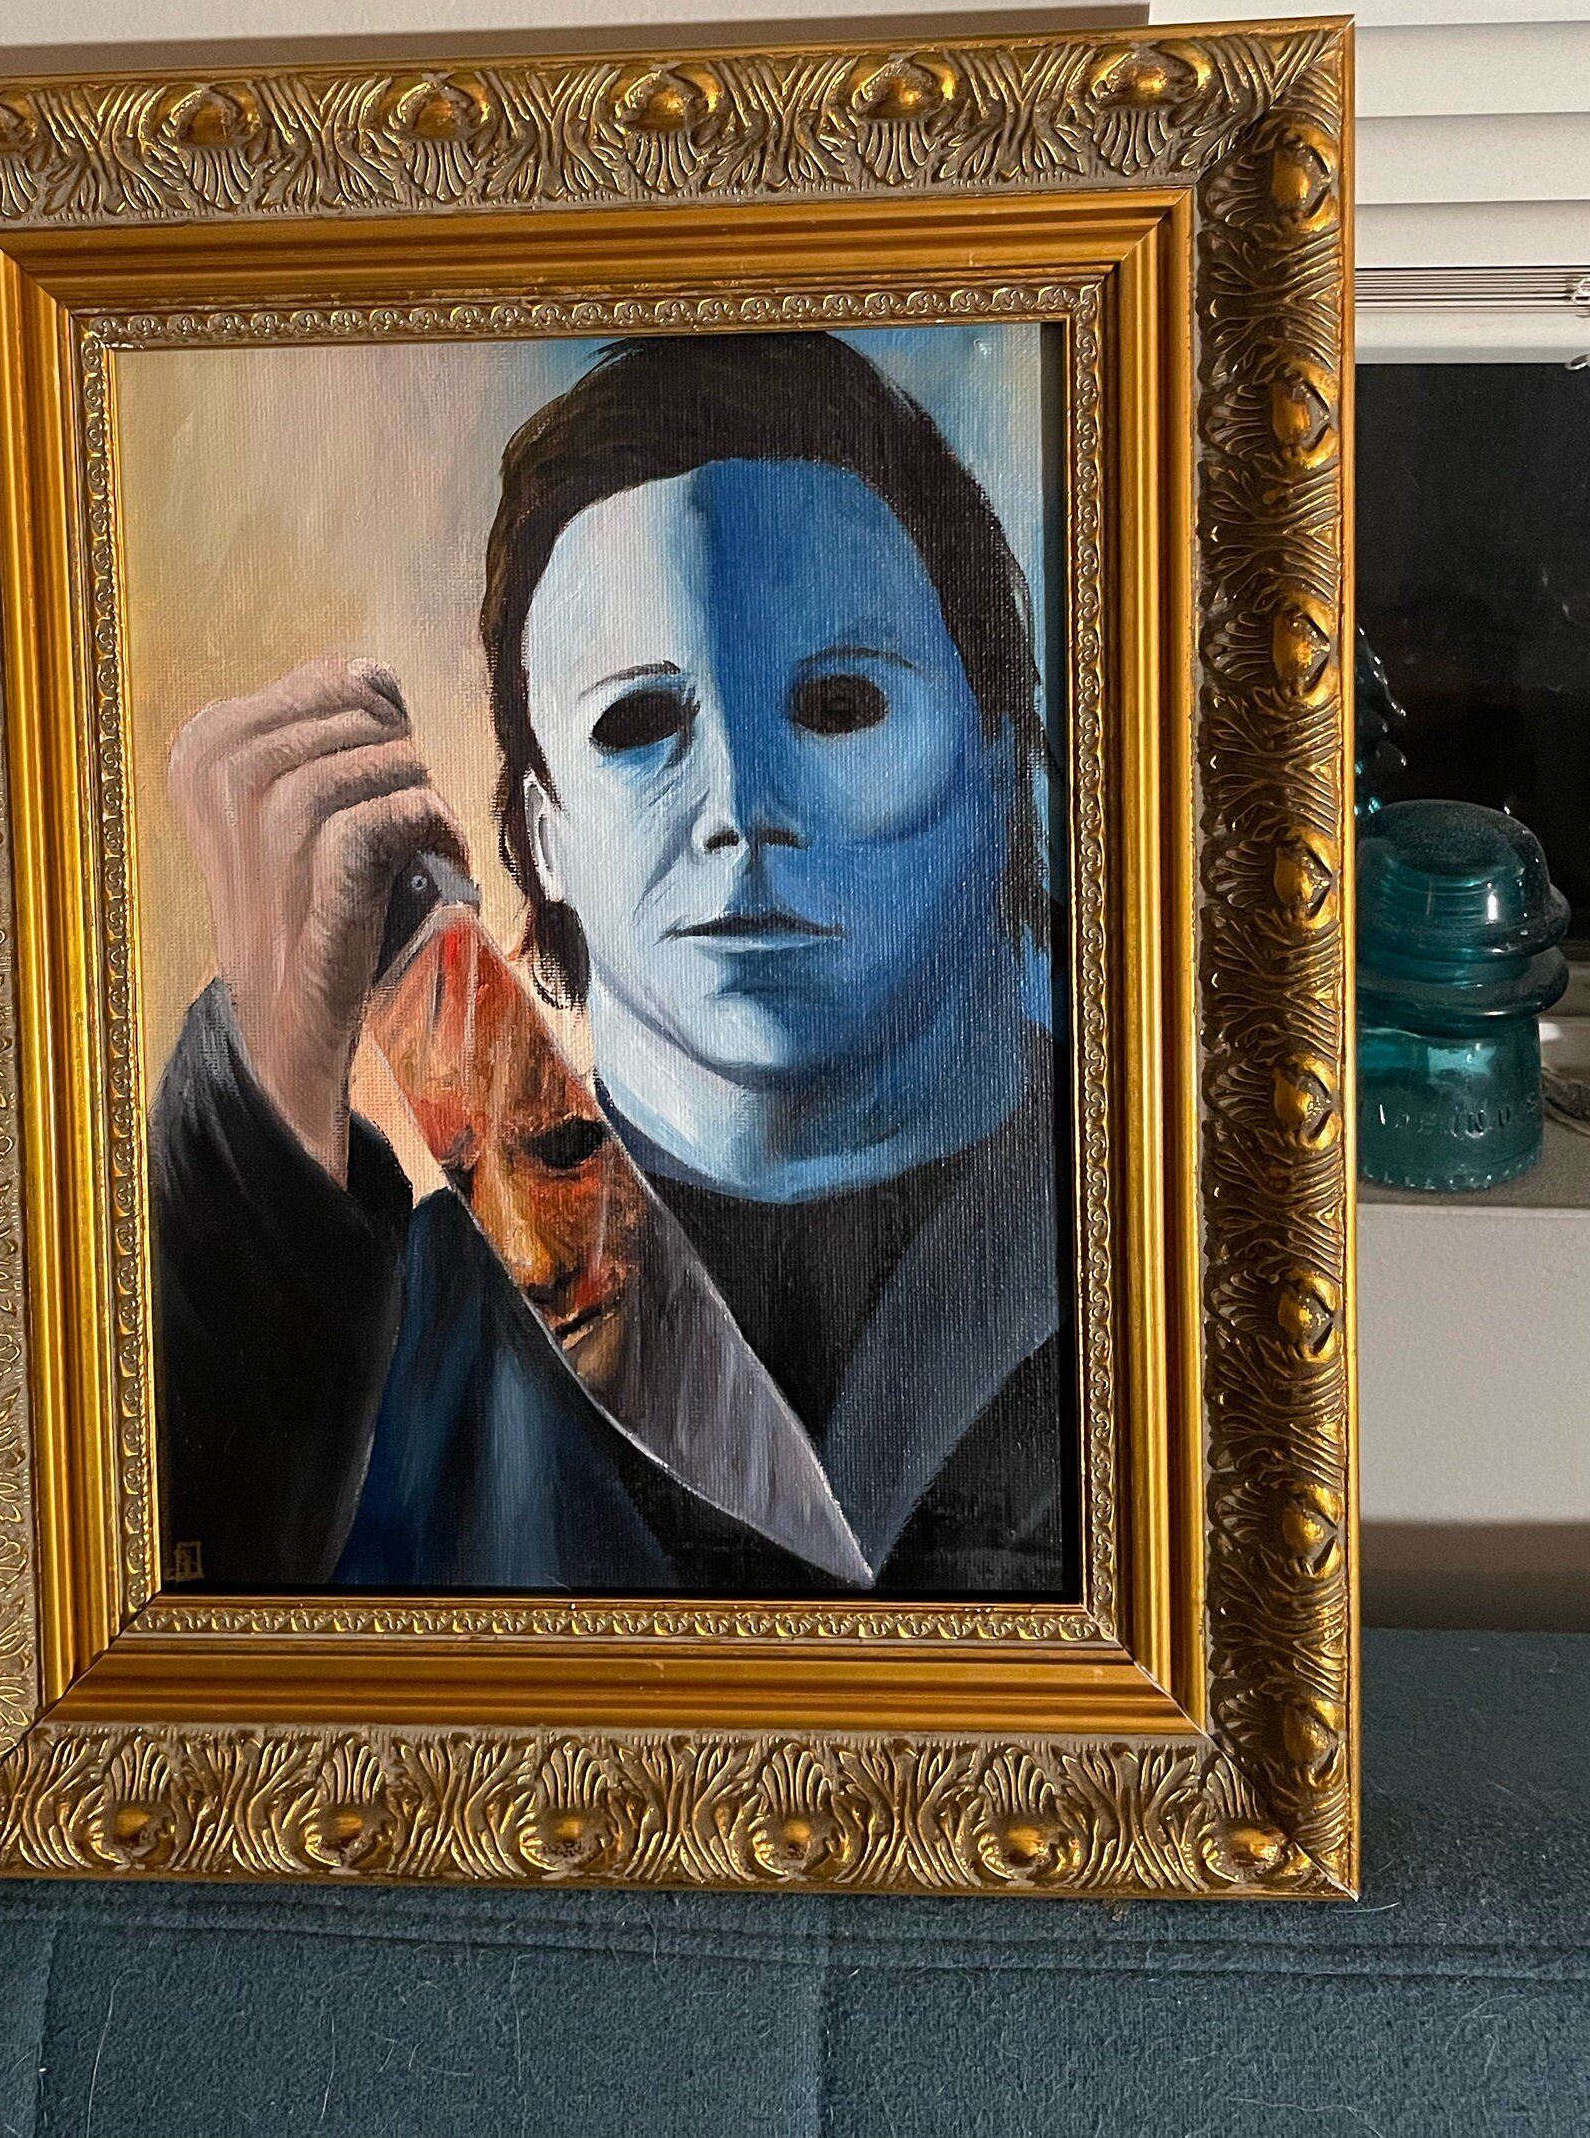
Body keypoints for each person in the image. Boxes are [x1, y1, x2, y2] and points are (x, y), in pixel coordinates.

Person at [150, 333, 1074, 1598]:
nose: (739, 811)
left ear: (1001, 770)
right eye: (638, 723)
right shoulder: (400, 1328)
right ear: (543, 836)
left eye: (840, 706)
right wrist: (249, 1127)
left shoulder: (1155, 1230)